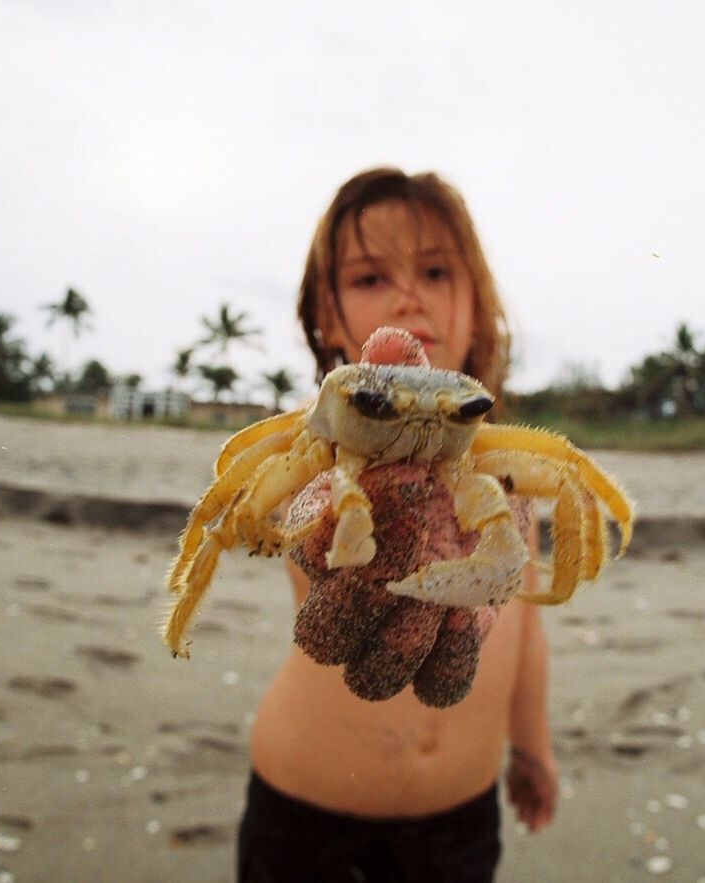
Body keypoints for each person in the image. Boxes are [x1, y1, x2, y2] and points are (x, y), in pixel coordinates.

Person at [237, 167, 557, 882]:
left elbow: (528, 632)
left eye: (437, 270)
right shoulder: (317, 449)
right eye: (369, 278)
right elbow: (295, 526)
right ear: (327, 314)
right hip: (304, 807)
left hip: (460, 821)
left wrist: (532, 747)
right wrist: (329, 526)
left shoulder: (506, 477)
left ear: (479, 303)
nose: (408, 295)